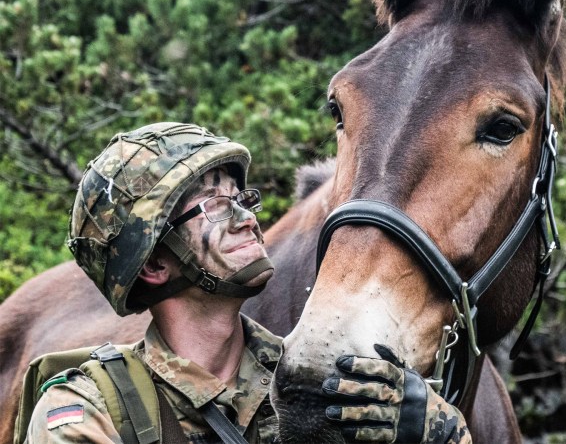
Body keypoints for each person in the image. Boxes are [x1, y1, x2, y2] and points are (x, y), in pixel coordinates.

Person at [24, 122, 470, 444]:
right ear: (155, 265)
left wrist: (439, 433)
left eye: (242, 199)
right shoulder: (90, 411)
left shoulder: (320, 386)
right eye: (216, 206)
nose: (248, 219)